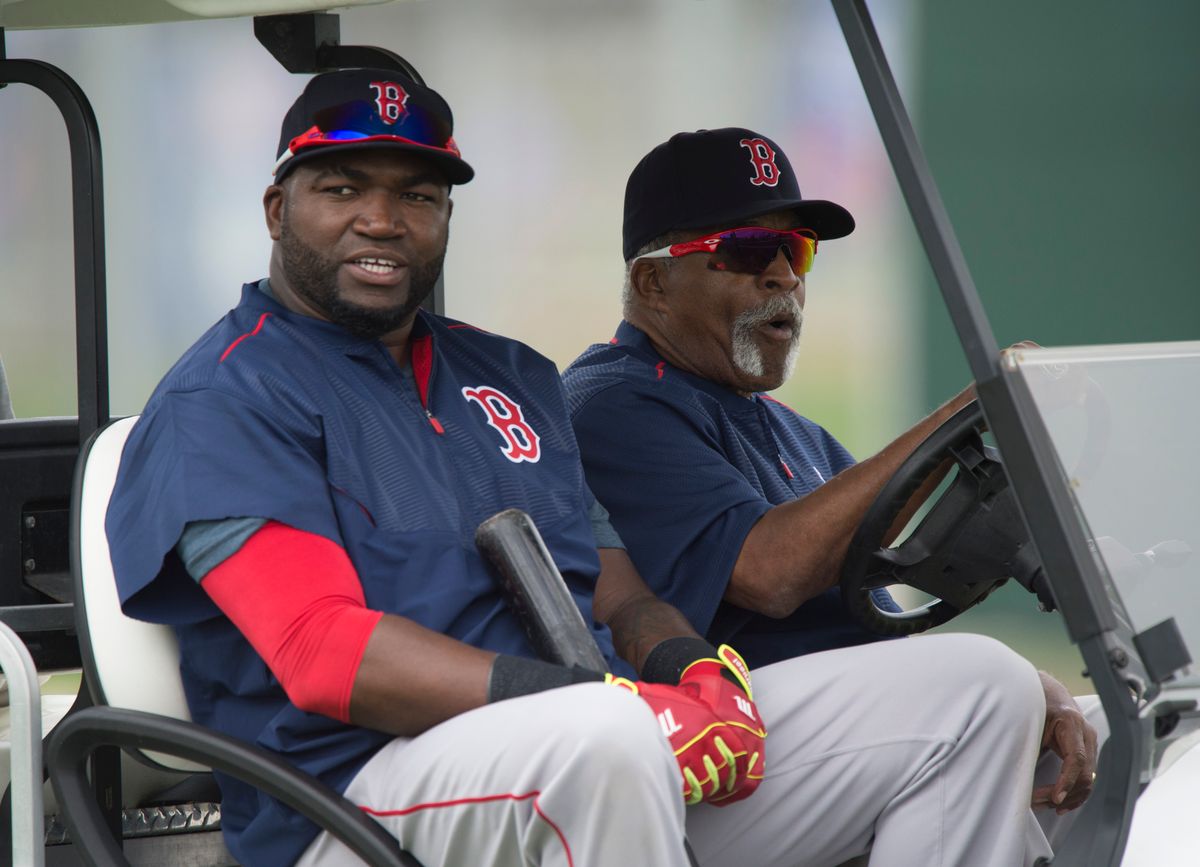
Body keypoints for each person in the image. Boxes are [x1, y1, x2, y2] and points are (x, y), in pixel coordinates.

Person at [107, 77, 1059, 867]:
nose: (384, 219)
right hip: (351, 799)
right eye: (344, 187)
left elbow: (617, 593)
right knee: (606, 744)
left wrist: (689, 671)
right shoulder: (225, 397)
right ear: (279, 208)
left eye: (420, 195)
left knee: (979, 689)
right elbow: (326, 655)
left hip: (584, 754)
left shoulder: (507, 373)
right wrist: (603, 703)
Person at [561, 126, 1100, 837]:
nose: (784, 275)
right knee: (982, 684)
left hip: (819, 746)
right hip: (699, 761)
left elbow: (879, 638)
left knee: (1116, 727)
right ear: (653, 281)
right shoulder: (610, 402)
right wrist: (972, 408)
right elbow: (770, 572)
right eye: (749, 250)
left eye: (797, 249)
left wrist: (1046, 690)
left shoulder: (792, 431)